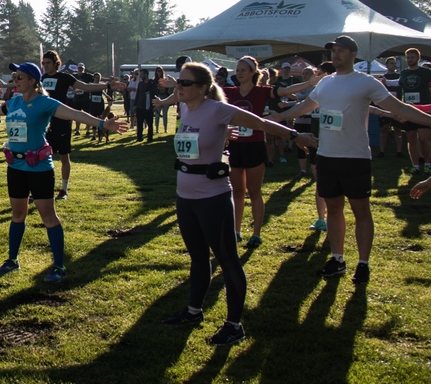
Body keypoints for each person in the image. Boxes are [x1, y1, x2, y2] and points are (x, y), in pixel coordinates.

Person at [161, 63, 315, 345]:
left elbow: (262, 123)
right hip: (185, 196)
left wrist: (295, 136)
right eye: (178, 83)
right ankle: (194, 311)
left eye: (184, 83)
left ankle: (234, 325)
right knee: (197, 257)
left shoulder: (218, 109)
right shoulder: (185, 110)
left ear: (203, 88)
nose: (179, 87)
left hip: (213, 196)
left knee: (228, 260)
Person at [270, 36, 431, 284]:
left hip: (355, 157)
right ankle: (337, 259)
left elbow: (398, 108)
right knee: (334, 210)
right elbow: (302, 107)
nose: (335, 55)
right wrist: (278, 118)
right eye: (333, 51)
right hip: (326, 157)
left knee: (361, 212)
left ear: (353, 54)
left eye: (341, 51)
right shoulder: (324, 84)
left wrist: (429, 120)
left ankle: (363, 264)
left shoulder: (365, 82)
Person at [0, 62, 128, 283]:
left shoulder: (45, 103)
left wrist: (102, 124)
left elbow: (75, 113)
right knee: (18, 215)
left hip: (39, 168)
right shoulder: (15, 101)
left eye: (20, 77)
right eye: (15, 77)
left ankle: (59, 266)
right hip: (15, 167)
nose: (15, 80)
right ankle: (12, 260)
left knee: (48, 217)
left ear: (32, 81)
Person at [222, 56, 315, 248]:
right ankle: (236, 231)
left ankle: (256, 234)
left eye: (243, 70)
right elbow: (202, 91)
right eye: (237, 70)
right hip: (235, 147)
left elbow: (287, 90)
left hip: (255, 146)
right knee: (237, 192)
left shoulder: (262, 92)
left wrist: (310, 83)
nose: (239, 73)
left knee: (254, 192)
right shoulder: (229, 93)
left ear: (253, 73)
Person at [35, 50, 124, 200]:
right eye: (43, 63)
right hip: (44, 123)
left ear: (56, 64)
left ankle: (63, 189)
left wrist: (107, 86)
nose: (45, 66)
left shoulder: (64, 77)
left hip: (62, 121)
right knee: (41, 156)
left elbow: (85, 87)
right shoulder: (41, 79)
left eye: (48, 63)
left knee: (64, 157)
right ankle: (39, 189)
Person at [396, 48, 431, 174]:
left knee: (423, 138)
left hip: (424, 110)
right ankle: (415, 166)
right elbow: (397, 85)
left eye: (413, 57)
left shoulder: (426, 72)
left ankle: (427, 163)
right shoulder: (404, 73)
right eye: (408, 57)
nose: (410, 59)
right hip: (408, 110)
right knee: (411, 139)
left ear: (418, 59)